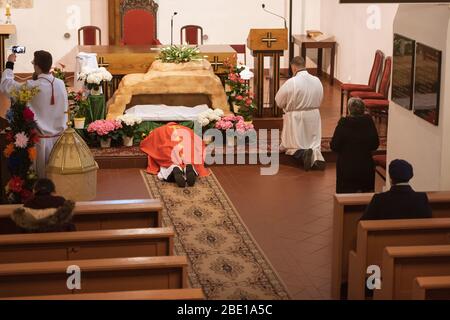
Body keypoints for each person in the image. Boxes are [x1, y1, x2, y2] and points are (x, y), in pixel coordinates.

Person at [0, 51, 68, 178]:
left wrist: (9, 64)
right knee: (59, 179)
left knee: (41, 179)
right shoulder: (61, 83)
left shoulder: (32, 86)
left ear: (36, 66)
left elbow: (6, 86)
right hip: (60, 141)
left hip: (41, 144)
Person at [275, 56, 325, 171]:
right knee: (313, 144)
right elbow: (321, 97)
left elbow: (279, 100)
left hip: (296, 117)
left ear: (293, 67)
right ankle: (317, 157)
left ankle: (302, 154)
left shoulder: (292, 82)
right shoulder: (317, 80)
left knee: (292, 145)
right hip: (314, 115)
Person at [330, 98, 380, 193]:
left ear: (349, 110)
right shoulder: (369, 122)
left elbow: (334, 146)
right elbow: (375, 145)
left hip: (346, 166)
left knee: (345, 193)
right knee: (366, 192)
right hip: (365, 165)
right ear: (363, 110)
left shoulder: (343, 123)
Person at [140, 123, 210, 188]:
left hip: (170, 152)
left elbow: (145, 143)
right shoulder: (186, 129)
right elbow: (199, 142)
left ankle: (173, 169)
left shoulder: (159, 130)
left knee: (168, 162)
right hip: (187, 151)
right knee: (190, 158)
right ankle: (189, 167)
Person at [361, 159, 432, 220]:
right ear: (410, 177)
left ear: (390, 178)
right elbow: (429, 223)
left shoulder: (379, 199)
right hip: (415, 236)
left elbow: (362, 223)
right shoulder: (421, 198)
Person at [10, 179, 75, 233]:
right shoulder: (60, 202)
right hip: (59, 244)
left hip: (33, 245)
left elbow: (22, 230)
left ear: (34, 191)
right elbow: (70, 227)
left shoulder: (28, 204)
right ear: (53, 191)